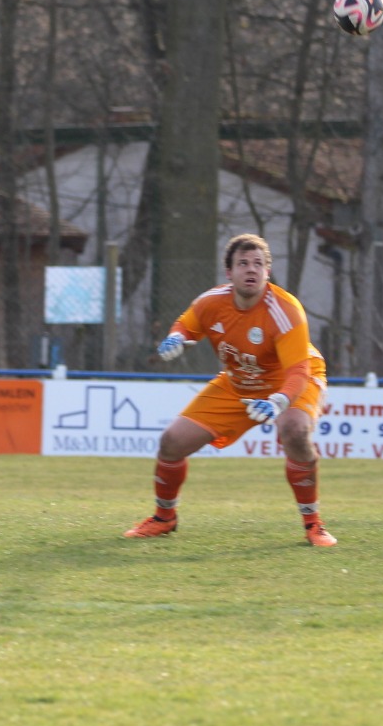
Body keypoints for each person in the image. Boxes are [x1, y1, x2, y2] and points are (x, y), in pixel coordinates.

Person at [123, 233, 336, 547]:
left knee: (294, 431)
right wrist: (177, 338)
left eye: (258, 264)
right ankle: (164, 518)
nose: (251, 269)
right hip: (239, 382)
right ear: (229, 272)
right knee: (171, 442)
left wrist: (277, 401)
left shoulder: (286, 310)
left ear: (267, 271)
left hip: (291, 380)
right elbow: (187, 324)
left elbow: (298, 372)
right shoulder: (212, 302)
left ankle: (313, 524)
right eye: (243, 263)